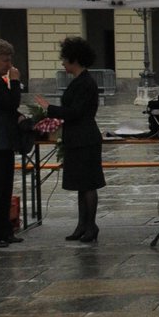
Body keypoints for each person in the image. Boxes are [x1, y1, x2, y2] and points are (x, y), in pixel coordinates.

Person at [44, 36, 104, 243]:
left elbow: (75, 112)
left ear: (74, 59)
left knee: (88, 183)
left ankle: (91, 226)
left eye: (65, 59)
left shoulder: (85, 83)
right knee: (81, 184)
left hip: (84, 138)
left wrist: (49, 109)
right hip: (77, 137)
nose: (62, 63)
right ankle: (82, 225)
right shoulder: (80, 82)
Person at [0, 39, 23, 249]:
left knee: (4, 188)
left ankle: (3, 230)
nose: (8, 65)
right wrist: (15, 82)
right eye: (5, 60)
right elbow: (9, 103)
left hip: (2, 141)